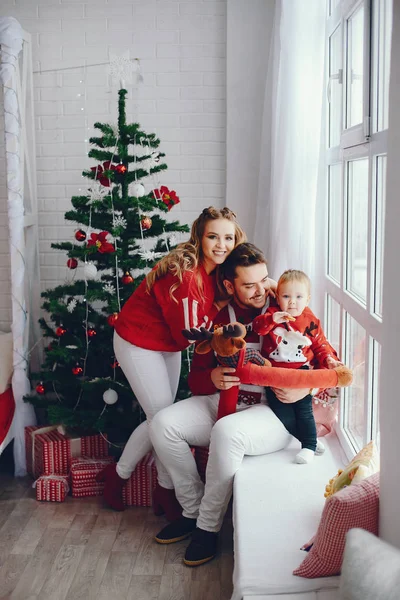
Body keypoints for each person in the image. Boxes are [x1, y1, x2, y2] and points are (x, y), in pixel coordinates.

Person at [149, 243, 310, 566]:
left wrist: (303, 388)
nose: (261, 290)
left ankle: (207, 529)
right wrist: (213, 378)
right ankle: (192, 512)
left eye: (264, 280)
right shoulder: (217, 317)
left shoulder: (291, 307)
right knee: (163, 425)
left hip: (272, 413)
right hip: (223, 401)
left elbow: (317, 358)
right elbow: (193, 381)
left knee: (226, 432)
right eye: (249, 285)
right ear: (229, 286)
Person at [96, 207, 246, 518]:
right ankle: (147, 485)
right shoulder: (189, 277)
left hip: (168, 343)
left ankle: (145, 484)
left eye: (228, 238)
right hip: (139, 341)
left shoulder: (218, 268)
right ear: (199, 237)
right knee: (161, 419)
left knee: (162, 418)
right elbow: (193, 335)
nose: (221, 244)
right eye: (213, 237)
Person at [253, 269, 341, 464]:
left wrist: (329, 360)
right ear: (277, 297)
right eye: (286, 296)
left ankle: (308, 446)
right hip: (274, 373)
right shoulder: (272, 314)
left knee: (303, 410)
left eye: (298, 297)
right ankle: (308, 439)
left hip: (301, 372)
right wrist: (271, 319)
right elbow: (257, 327)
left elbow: (320, 345)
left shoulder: (310, 321)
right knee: (282, 414)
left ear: (307, 299)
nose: (292, 302)